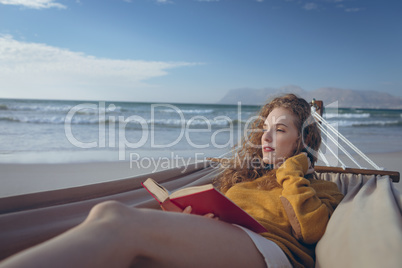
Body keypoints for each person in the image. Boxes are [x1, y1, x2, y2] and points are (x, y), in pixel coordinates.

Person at [0, 94, 343, 268]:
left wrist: (294, 169)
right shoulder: (247, 177)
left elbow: (309, 230)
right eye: (265, 128)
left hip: (270, 253)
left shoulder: (322, 187)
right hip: (229, 242)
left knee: (115, 218)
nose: (266, 137)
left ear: (303, 140)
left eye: (280, 130)